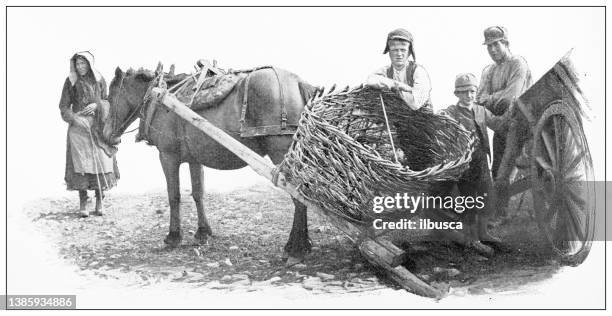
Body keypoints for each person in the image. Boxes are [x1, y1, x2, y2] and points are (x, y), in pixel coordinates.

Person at [433, 73, 513, 251]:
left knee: (486, 196)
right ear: (457, 94)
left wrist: (511, 113)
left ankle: (483, 233)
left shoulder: (481, 110)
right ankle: (473, 239)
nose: (469, 95)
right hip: (464, 164)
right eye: (464, 92)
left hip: (481, 159)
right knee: (470, 200)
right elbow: (440, 124)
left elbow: (498, 124)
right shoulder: (451, 112)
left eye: (472, 91)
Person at [59, 51, 119, 217]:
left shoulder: (99, 80)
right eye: (77, 64)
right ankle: (83, 201)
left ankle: (100, 200)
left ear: (90, 64)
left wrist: (97, 105)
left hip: (98, 126)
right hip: (78, 128)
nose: (80, 67)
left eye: (83, 63)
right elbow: (63, 107)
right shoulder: (70, 81)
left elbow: (109, 102)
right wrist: (75, 119)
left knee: (102, 160)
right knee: (82, 165)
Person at [477, 26, 532, 179]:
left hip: (521, 126)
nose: (492, 50)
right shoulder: (488, 71)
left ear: (506, 43)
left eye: (496, 44)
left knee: (506, 179)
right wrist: (496, 97)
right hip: (500, 129)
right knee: (496, 177)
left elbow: (510, 99)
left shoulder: (517, 63)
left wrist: (490, 98)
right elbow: (478, 102)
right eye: (489, 46)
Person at [366, 28, 433, 112]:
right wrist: (398, 85)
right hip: (397, 118)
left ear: (409, 52)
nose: (399, 54)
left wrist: (391, 87)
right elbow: (370, 80)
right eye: (394, 50)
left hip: (423, 119)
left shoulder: (418, 71)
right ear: (389, 53)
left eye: (403, 50)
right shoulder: (385, 70)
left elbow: (415, 104)